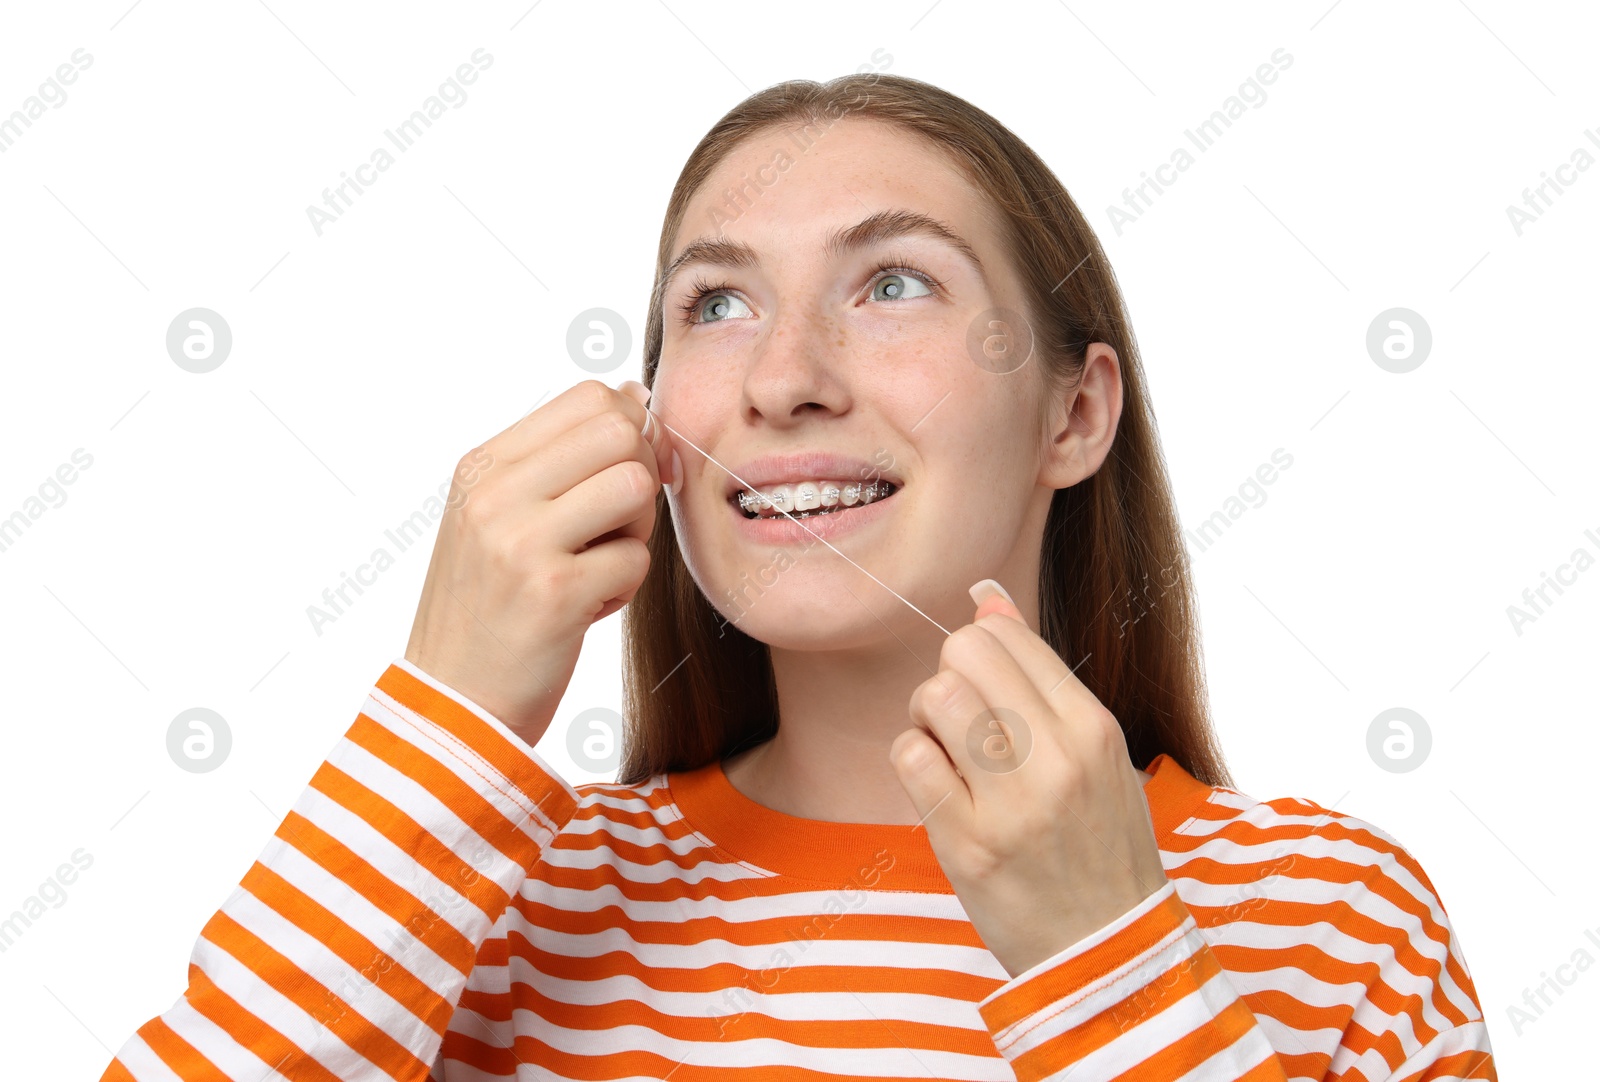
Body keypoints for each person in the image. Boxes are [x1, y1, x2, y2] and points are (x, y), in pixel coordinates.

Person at [101, 73, 1497, 1081]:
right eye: (716, 303)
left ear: (1073, 414)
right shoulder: (492, 913)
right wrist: (444, 711)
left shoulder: (1335, 921)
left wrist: (1112, 963)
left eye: (893, 283)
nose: (781, 378)